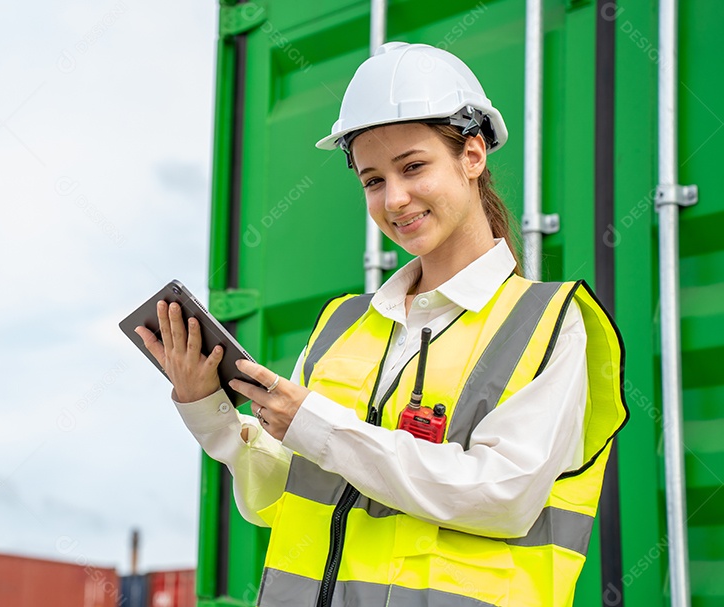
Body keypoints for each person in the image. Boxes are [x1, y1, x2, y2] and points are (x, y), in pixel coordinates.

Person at [136, 42, 627, 607]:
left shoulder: (549, 322)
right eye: (373, 180)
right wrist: (212, 412)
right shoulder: (341, 324)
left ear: (472, 155)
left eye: (413, 166)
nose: (395, 199)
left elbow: (504, 496)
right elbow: (275, 498)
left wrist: (319, 426)